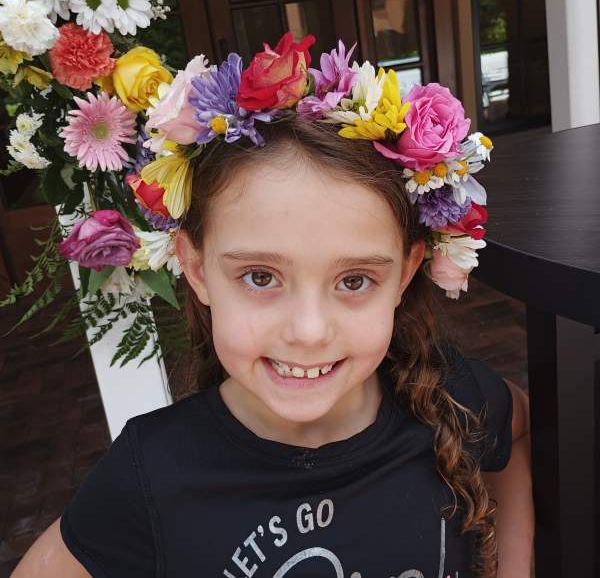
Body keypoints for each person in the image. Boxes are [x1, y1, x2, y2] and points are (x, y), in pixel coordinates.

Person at [11, 35, 534, 578]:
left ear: (404, 274)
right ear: (196, 269)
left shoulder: (451, 397)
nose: (308, 331)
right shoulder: (149, 475)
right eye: (260, 277)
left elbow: (516, 429)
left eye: (354, 280)